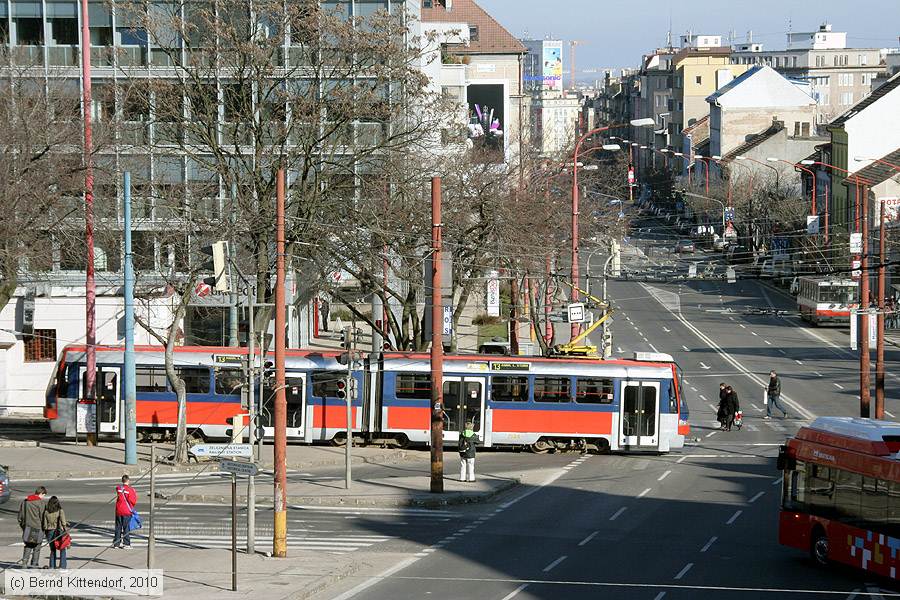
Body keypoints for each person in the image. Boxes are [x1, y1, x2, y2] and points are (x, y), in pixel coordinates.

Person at [18, 486, 47, 567]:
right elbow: (43, 517)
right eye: (44, 495)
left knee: (28, 545)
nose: (43, 497)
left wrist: (23, 527)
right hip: (38, 528)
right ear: (41, 493)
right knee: (37, 547)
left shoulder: (25, 502)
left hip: (27, 527)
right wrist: (44, 528)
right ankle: (34, 564)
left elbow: (20, 517)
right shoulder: (41, 503)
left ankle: (24, 563)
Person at [43, 496, 68, 569]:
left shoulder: (46, 512)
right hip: (58, 532)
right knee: (62, 549)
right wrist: (65, 531)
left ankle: (52, 566)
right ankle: (62, 567)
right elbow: (63, 522)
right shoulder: (60, 511)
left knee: (52, 550)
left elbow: (44, 525)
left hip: (49, 532)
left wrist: (46, 532)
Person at [114, 475, 137, 549]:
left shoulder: (118, 488)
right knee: (126, 527)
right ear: (128, 480)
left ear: (122, 480)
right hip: (126, 511)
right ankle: (126, 544)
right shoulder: (130, 490)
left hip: (118, 510)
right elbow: (133, 501)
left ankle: (116, 543)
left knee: (118, 527)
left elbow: (118, 489)